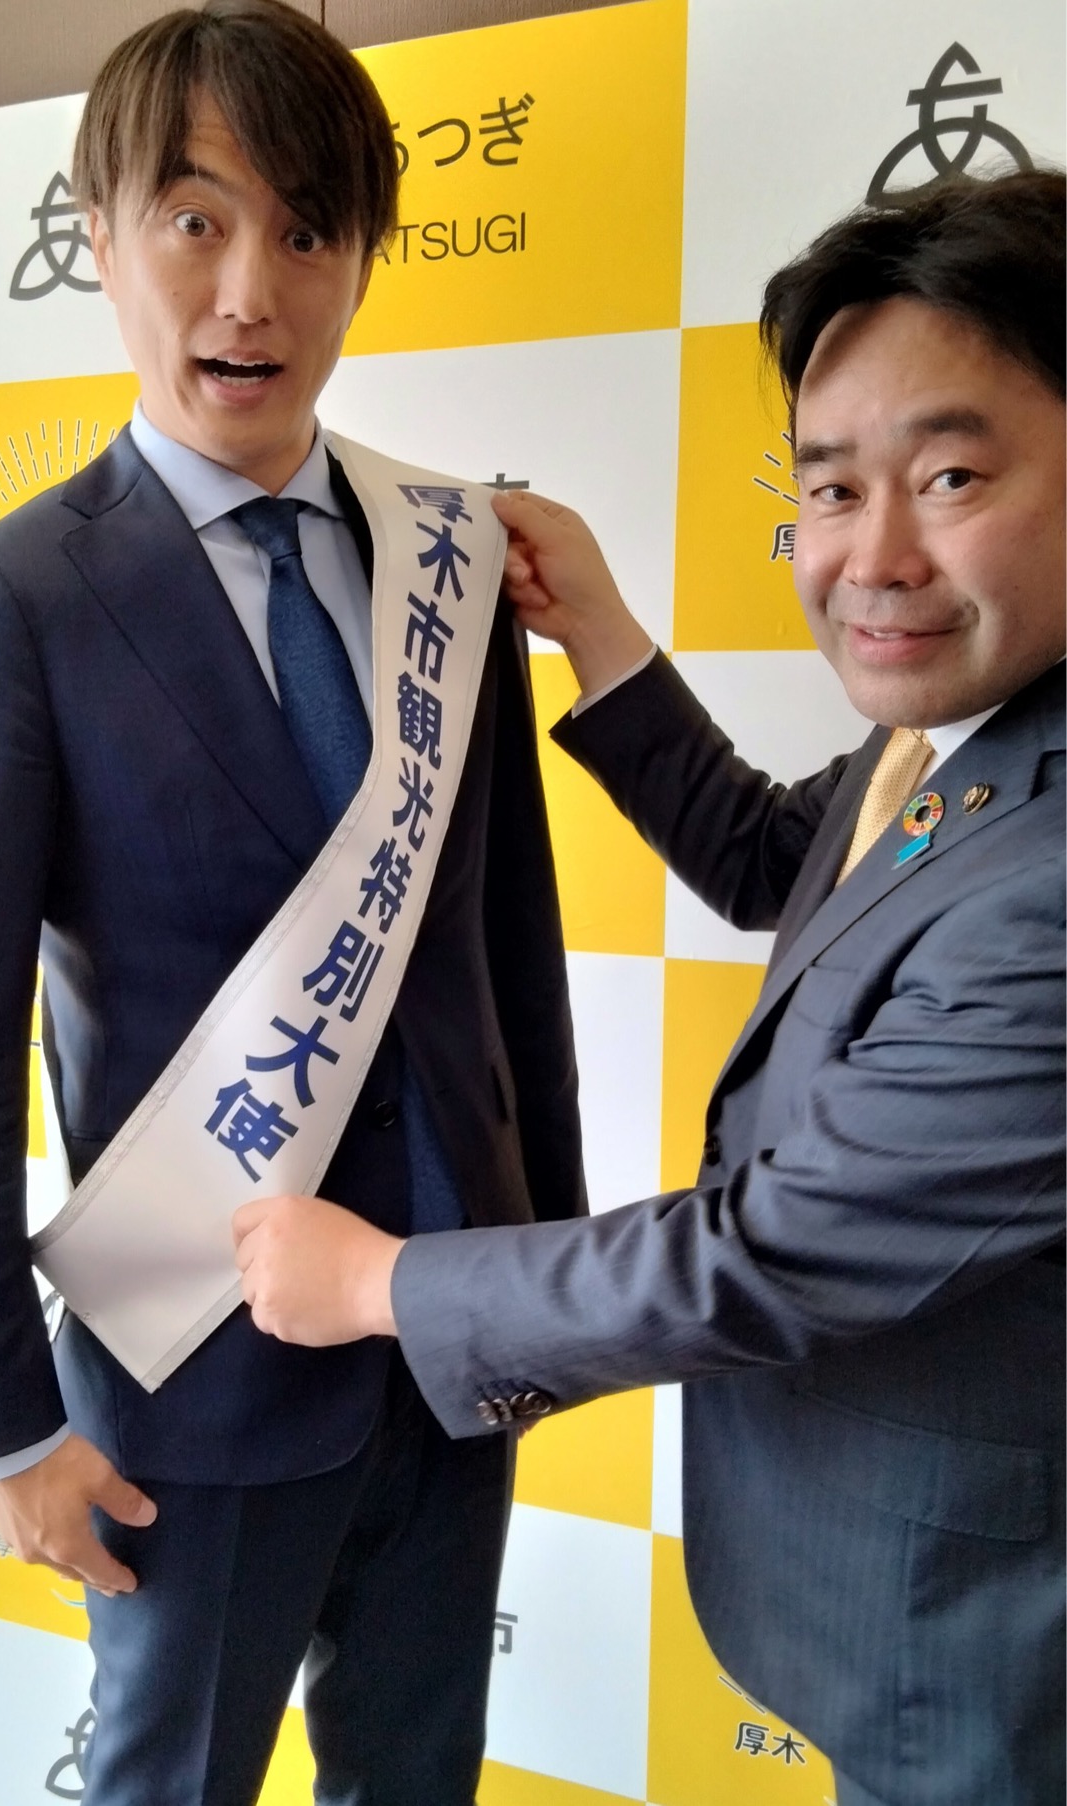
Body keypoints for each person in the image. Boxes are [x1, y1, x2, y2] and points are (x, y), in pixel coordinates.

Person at [233, 170, 1066, 1806]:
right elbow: (784, 859)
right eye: (833, 488)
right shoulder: (976, 735)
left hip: (987, 1662)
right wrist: (602, 633)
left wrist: (384, 1285)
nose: (874, 555)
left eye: (953, 476)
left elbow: (765, 1251)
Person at [0, 4, 585, 1801]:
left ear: (365, 258)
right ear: (98, 237)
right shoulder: (6, 601)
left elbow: (508, 954)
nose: (250, 291)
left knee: (418, 1776)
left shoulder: (451, 561)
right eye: (193, 219)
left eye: (307, 230)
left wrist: (542, 1285)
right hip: (192, 1384)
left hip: (448, 1340)